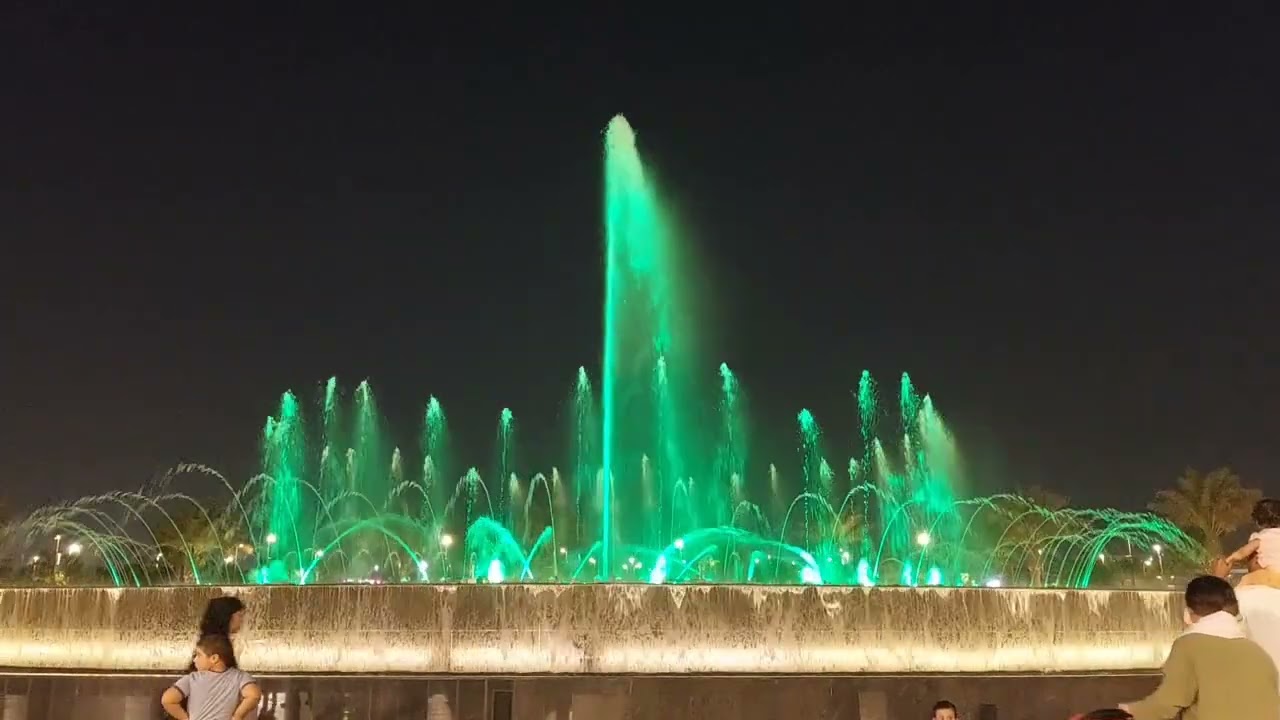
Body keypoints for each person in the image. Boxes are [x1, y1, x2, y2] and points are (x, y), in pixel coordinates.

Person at [1118, 575, 1279, 720]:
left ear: (1189, 612)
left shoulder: (1189, 645)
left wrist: (1128, 711)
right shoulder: (1256, 652)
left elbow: (1167, 703)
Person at [162, 634, 262, 720]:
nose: (194, 660)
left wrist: (187, 719)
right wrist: (238, 716)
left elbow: (167, 699)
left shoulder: (193, 678)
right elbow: (254, 694)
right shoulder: (240, 677)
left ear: (214, 658)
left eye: (198, 655)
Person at [1222, 498, 1280, 587]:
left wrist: (1231, 558)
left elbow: (1243, 552)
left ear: (1258, 521)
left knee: (1244, 584)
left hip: (1268, 575)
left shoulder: (1261, 537)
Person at [187, 596, 247, 672]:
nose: (241, 620)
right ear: (227, 616)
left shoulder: (208, 641)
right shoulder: (217, 645)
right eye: (239, 615)